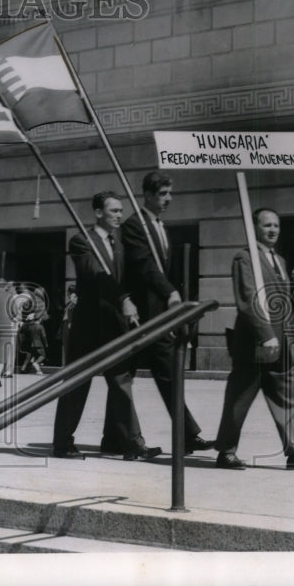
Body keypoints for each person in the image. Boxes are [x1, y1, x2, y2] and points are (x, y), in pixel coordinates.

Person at [215, 208, 294, 471]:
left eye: (276, 225)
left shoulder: (280, 261)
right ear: (255, 227)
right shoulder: (244, 258)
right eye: (267, 226)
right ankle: (226, 452)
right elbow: (247, 299)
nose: (273, 230)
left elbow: (286, 304)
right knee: (239, 398)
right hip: (254, 344)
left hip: (283, 344)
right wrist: (266, 336)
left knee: (287, 397)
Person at [51, 191, 160, 461]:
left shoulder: (121, 243)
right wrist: (122, 298)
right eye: (114, 211)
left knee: (122, 382)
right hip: (89, 327)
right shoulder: (81, 242)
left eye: (121, 211)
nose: (119, 216)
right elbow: (95, 274)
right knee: (77, 384)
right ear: (98, 212)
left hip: (116, 325)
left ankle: (132, 444)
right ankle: (62, 443)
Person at [111, 171, 212, 455]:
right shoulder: (134, 225)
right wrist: (170, 292)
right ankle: (129, 438)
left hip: (157, 317)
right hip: (139, 317)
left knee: (159, 374)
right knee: (123, 377)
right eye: (162, 194)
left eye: (170, 193)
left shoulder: (159, 226)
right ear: (147, 195)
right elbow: (145, 266)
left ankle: (185, 434)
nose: (168, 199)